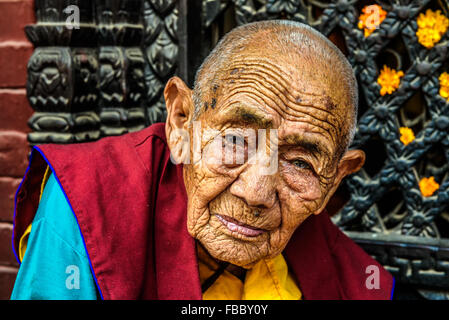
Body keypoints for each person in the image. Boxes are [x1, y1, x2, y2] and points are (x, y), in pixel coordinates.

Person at [11, 20, 394, 300]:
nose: (256, 192)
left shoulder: (332, 263)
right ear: (181, 121)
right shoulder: (88, 200)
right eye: (234, 140)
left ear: (333, 182)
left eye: (299, 163)